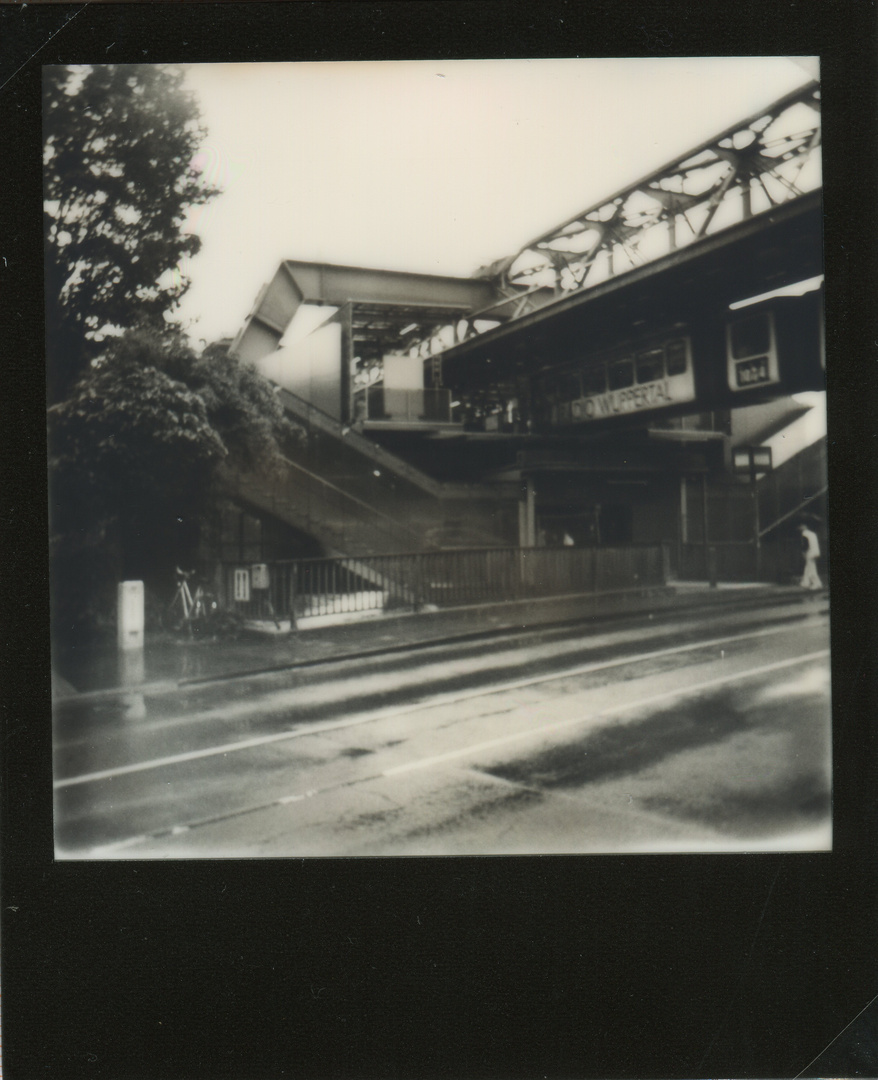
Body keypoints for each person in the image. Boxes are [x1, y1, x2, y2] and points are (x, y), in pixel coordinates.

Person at [798, 523, 822, 590]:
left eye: (800, 526)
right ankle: (806, 582)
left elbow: (805, 544)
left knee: (811, 568)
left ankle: (817, 583)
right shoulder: (812, 533)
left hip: (810, 552)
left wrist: (803, 553)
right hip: (815, 551)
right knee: (808, 567)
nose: (800, 528)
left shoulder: (804, 534)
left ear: (804, 526)